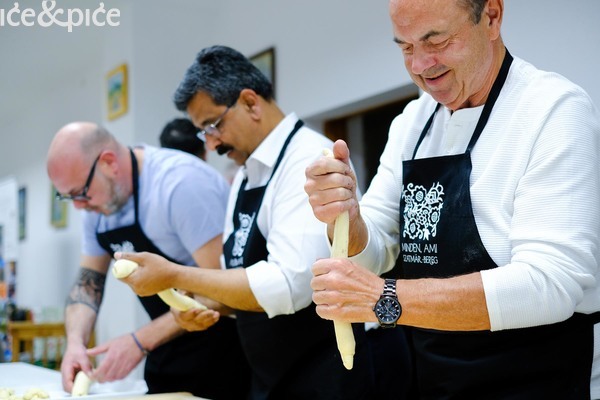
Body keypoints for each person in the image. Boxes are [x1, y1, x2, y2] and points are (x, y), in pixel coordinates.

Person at [304, 0, 600, 398]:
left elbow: (550, 284)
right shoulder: (412, 123)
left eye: (436, 41)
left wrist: (384, 298)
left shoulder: (553, 110)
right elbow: (376, 252)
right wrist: (347, 216)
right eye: (406, 47)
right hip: (437, 376)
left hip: (538, 379)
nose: (421, 65)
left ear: (491, 17)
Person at [115, 45, 376, 399]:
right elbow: (237, 278)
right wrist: (199, 306)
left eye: (213, 125)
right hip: (270, 376)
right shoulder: (244, 175)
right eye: (203, 132)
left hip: (325, 375)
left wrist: (175, 275)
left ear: (251, 102)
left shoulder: (310, 161)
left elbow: (287, 286)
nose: (211, 143)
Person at [46, 122, 251, 399]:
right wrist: (75, 343)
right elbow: (88, 283)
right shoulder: (96, 206)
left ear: (108, 163)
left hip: (226, 353)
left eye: (80, 193)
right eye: (68, 197)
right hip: (167, 351)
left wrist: (139, 340)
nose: (79, 206)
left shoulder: (181, 184)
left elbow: (225, 290)